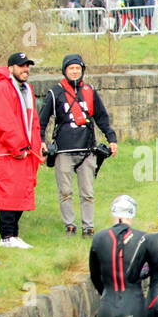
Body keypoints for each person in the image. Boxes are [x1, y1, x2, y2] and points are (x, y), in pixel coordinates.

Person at [38, 54, 118, 237]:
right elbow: (41, 121)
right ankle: (69, 225)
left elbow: (102, 118)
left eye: (78, 69)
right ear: (65, 70)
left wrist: (111, 139)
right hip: (63, 151)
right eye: (71, 68)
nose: (75, 72)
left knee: (87, 192)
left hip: (87, 149)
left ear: (82, 70)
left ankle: (88, 226)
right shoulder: (55, 93)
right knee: (65, 191)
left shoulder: (90, 91)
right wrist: (41, 142)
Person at [0, 54, 43, 249]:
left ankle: (13, 234)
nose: (25, 69)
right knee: (7, 192)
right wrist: (18, 146)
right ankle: (6, 235)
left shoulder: (27, 89)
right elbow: (4, 121)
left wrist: (37, 144)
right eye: (21, 66)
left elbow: (33, 120)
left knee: (20, 191)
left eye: (27, 66)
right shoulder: (0, 89)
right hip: (7, 150)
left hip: (24, 151)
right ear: (10, 68)